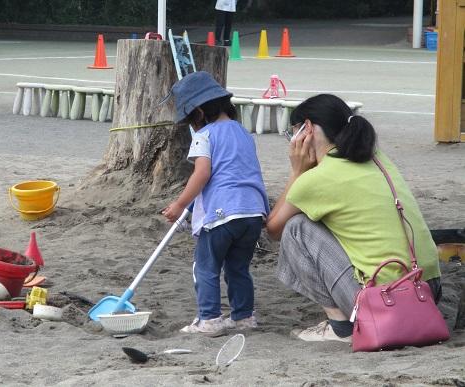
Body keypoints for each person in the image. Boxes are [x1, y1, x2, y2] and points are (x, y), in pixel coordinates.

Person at [266, 94, 441, 343]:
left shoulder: (317, 179)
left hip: (386, 299)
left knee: (297, 228)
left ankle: (341, 328)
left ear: (307, 129)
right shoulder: (378, 158)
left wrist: (297, 172)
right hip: (428, 288)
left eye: (291, 134)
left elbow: (273, 229)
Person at [162, 71, 269, 336]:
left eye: (190, 119)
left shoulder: (205, 136)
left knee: (206, 266)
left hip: (222, 213)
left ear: (198, 113)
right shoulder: (244, 133)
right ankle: (243, 316)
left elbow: (202, 174)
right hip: (253, 211)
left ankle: (209, 319)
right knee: (238, 267)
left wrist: (178, 205)